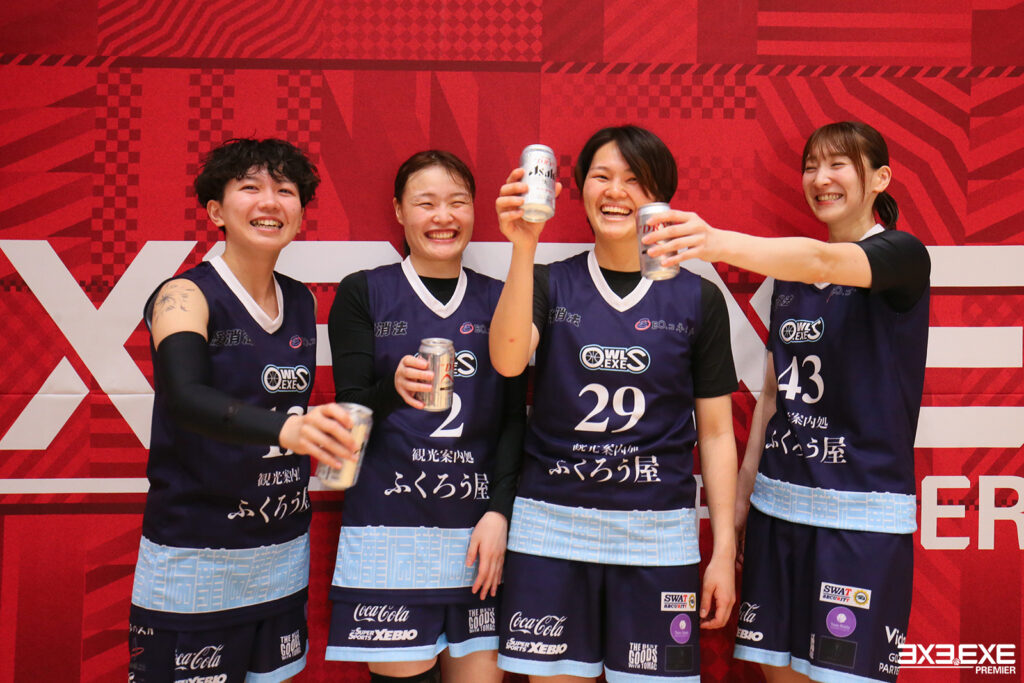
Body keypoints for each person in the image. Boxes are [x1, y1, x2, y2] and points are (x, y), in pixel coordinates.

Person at [644, 121, 930, 683]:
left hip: (861, 519)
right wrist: (742, 504)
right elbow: (774, 398)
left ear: (880, 179)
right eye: (810, 166)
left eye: (838, 164)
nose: (820, 179)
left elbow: (826, 262)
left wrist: (712, 241)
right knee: (779, 675)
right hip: (779, 511)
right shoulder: (789, 280)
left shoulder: (902, 255)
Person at [489, 125, 739, 682]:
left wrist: (722, 551)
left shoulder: (698, 297)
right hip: (552, 529)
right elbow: (507, 361)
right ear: (577, 190)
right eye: (601, 177)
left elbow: (717, 433)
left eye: (635, 179)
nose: (616, 192)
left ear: (662, 195)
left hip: (657, 536)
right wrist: (523, 245)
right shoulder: (549, 282)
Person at [128, 138, 357, 683]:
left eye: (285, 190)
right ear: (216, 211)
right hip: (195, 552)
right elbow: (185, 397)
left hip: (280, 551)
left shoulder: (301, 300)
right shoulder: (184, 294)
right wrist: (288, 429)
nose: (270, 202)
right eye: (250, 187)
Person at [325, 150, 525, 683]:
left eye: (458, 202)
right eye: (426, 203)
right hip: (388, 533)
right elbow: (347, 416)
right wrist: (392, 391)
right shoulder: (364, 292)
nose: (443, 216)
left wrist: (500, 513)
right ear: (398, 210)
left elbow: (513, 419)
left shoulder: (500, 299)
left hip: (476, 539)